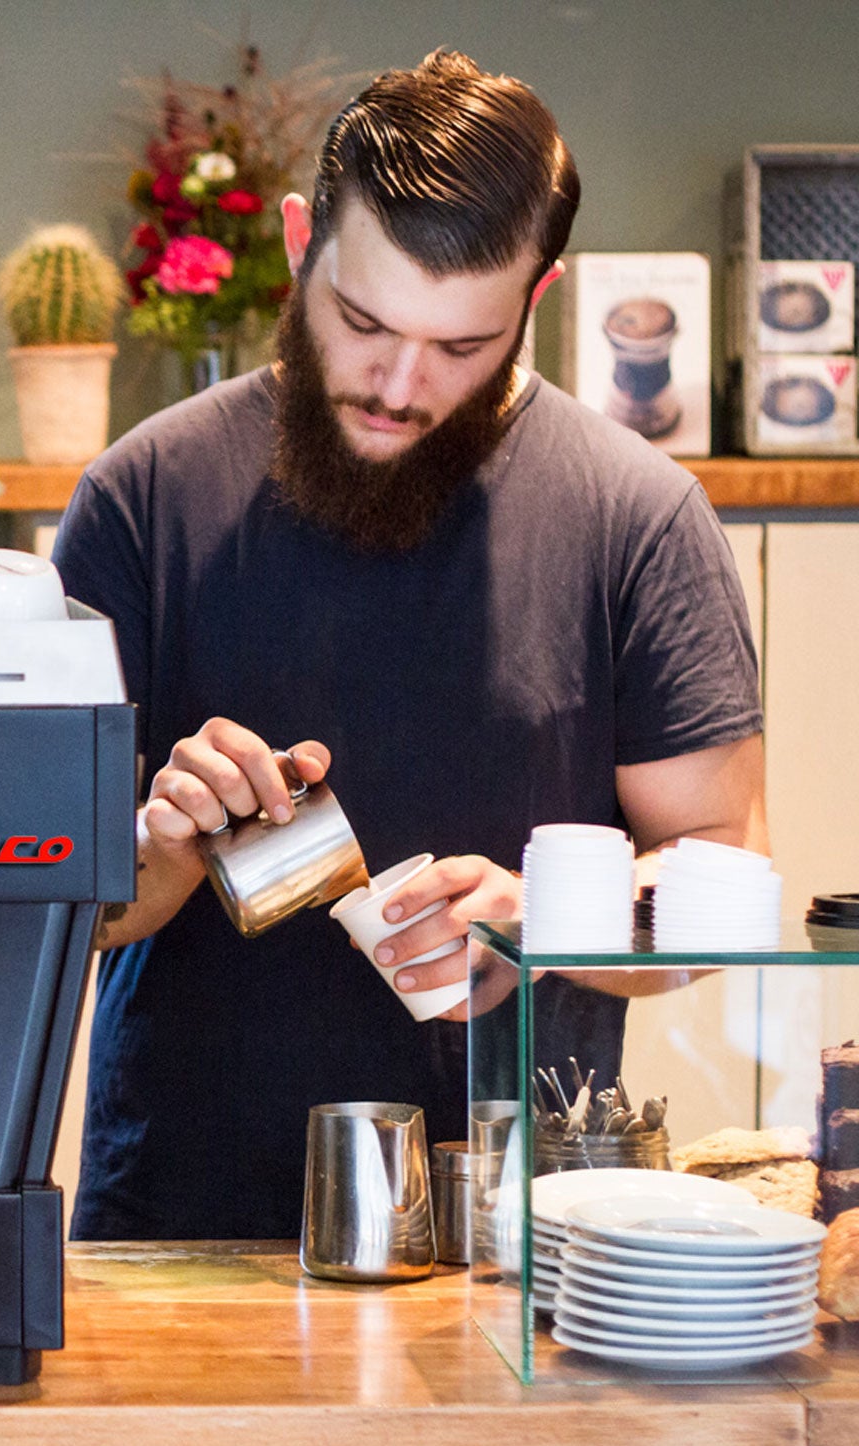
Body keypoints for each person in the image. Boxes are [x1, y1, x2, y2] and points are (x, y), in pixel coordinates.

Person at [52, 50, 767, 1241]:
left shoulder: (634, 519)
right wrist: (156, 850)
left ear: (532, 301)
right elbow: (35, 900)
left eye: (458, 346)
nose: (396, 384)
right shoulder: (139, 500)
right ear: (297, 246)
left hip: (515, 1243)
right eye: (360, 321)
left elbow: (718, 872)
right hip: (179, 1228)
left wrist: (544, 921)